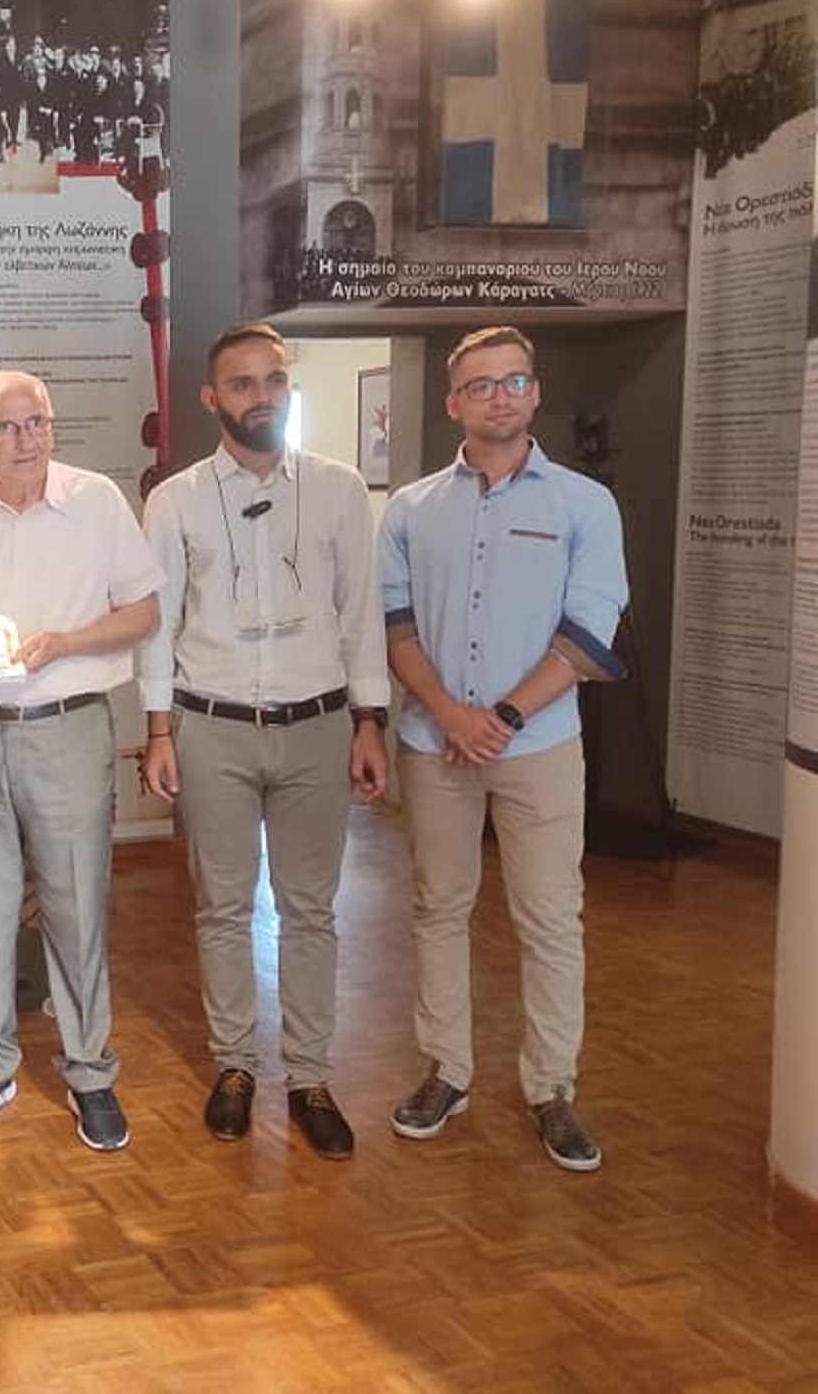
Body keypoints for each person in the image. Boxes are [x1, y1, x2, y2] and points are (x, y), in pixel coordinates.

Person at [137, 322, 390, 1160]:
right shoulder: (174, 499)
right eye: (242, 384)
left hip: (317, 723)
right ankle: (235, 1065)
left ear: (288, 388)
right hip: (211, 724)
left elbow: (360, 610)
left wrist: (369, 719)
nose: (261, 396)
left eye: (274, 380)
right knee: (222, 905)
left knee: (310, 908)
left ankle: (310, 1075)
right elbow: (159, 623)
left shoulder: (339, 489)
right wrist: (158, 729)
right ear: (213, 398)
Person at [379, 325, 628, 1172]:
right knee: (438, 907)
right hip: (434, 742)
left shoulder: (585, 506)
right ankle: (446, 1071)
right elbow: (396, 627)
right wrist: (452, 714)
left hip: (541, 746)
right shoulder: (411, 509)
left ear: (536, 391)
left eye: (515, 381)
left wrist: (506, 717)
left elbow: (588, 631)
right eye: (481, 385)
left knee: (551, 917)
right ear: (454, 402)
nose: (500, 396)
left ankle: (551, 1087)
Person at [0, 369, 162, 1151]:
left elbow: (145, 612)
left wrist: (67, 642)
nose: (27, 440)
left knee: (76, 903)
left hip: (67, 726)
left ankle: (90, 1070)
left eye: (38, 423)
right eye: (8, 428)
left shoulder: (97, 501)